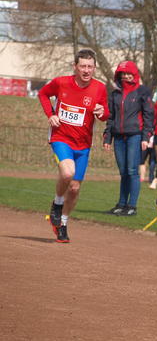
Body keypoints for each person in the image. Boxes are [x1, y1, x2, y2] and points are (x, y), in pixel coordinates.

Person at [38, 48, 109, 243]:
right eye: (83, 66)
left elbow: (105, 114)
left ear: (94, 68)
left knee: (75, 188)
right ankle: (57, 203)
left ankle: (62, 223)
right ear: (75, 67)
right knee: (68, 172)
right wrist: (51, 114)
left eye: (90, 67)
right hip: (61, 137)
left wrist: (102, 112)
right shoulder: (61, 82)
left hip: (83, 144)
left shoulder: (99, 88)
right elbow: (43, 94)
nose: (86, 70)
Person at [103, 60, 154, 216]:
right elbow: (111, 117)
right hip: (118, 137)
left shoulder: (142, 91)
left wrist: (146, 137)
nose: (126, 76)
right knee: (123, 172)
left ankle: (132, 206)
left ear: (135, 74)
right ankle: (121, 204)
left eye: (128, 73)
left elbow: (148, 115)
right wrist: (107, 137)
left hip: (135, 136)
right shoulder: (115, 94)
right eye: (123, 73)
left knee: (132, 171)